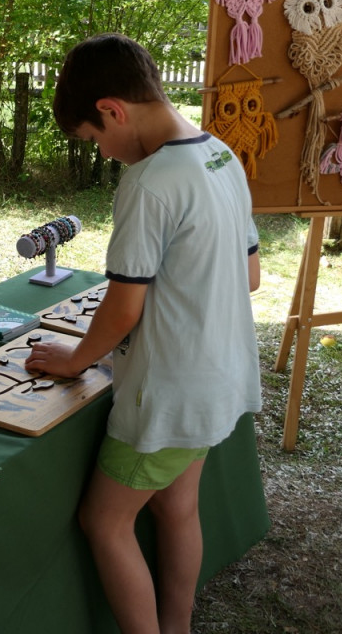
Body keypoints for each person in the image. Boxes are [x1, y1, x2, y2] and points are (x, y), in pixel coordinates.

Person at [25, 34, 262, 634]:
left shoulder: (150, 181)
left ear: (112, 109)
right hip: (219, 379)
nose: (105, 152)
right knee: (178, 507)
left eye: (96, 138)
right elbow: (251, 274)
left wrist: (78, 358)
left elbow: (124, 309)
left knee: (104, 522)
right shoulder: (220, 155)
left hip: (167, 393)